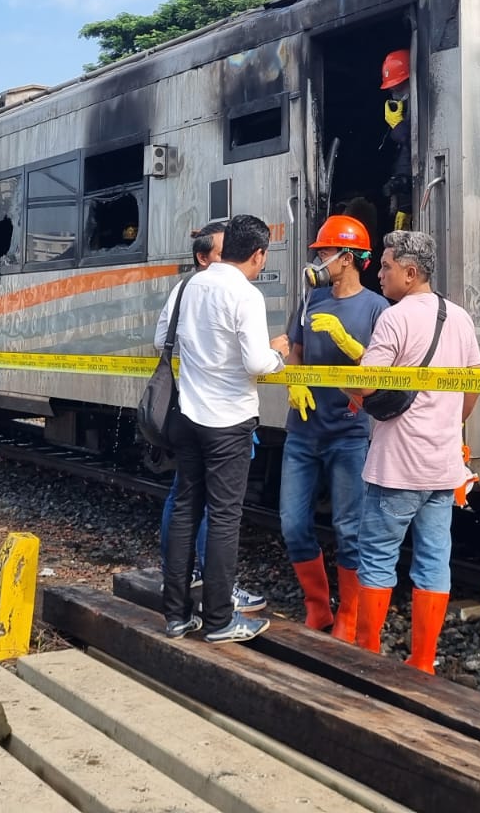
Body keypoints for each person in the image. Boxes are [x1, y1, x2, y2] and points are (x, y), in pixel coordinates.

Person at [346, 230, 480, 673]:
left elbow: (367, 383)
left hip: (396, 467)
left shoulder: (395, 318)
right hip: (443, 467)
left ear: (409, 272)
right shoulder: (458, 317)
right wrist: (449, 426)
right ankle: (423, 660)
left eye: (385, 267)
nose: (378, 273)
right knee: (432, 561)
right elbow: (471, 386)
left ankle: (368, 654)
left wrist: (340, 378)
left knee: (378, 557)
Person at [160, 214, 285, 642]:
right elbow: (255, 363)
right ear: (258, 254)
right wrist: (277, 355)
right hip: (228, 423)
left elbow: (167, 340)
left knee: (184, 510)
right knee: (225, 519)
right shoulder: (245, 294)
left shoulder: (192, 284)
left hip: (188, 417)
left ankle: (176, 616)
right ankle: (218, 620)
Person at [281, 215, 387, 640]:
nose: (320, 259)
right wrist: (295, 380)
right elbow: (295, 351)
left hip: (349, 431)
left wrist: (347, 342)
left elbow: (382, 373)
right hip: (303, 429)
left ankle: (349, 615)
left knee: (349, 527)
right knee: (292, 522)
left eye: (325, 253)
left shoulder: (377, 307)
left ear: (348, 258)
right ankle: (317, 606)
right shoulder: (310, 300)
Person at [379, 50, 413, 231]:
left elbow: (416, 146)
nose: (395, 93)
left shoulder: (422, 107)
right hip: (405, 195)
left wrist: (398, 125)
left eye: (399, 87)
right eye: (392, 89)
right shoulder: (405, 110)